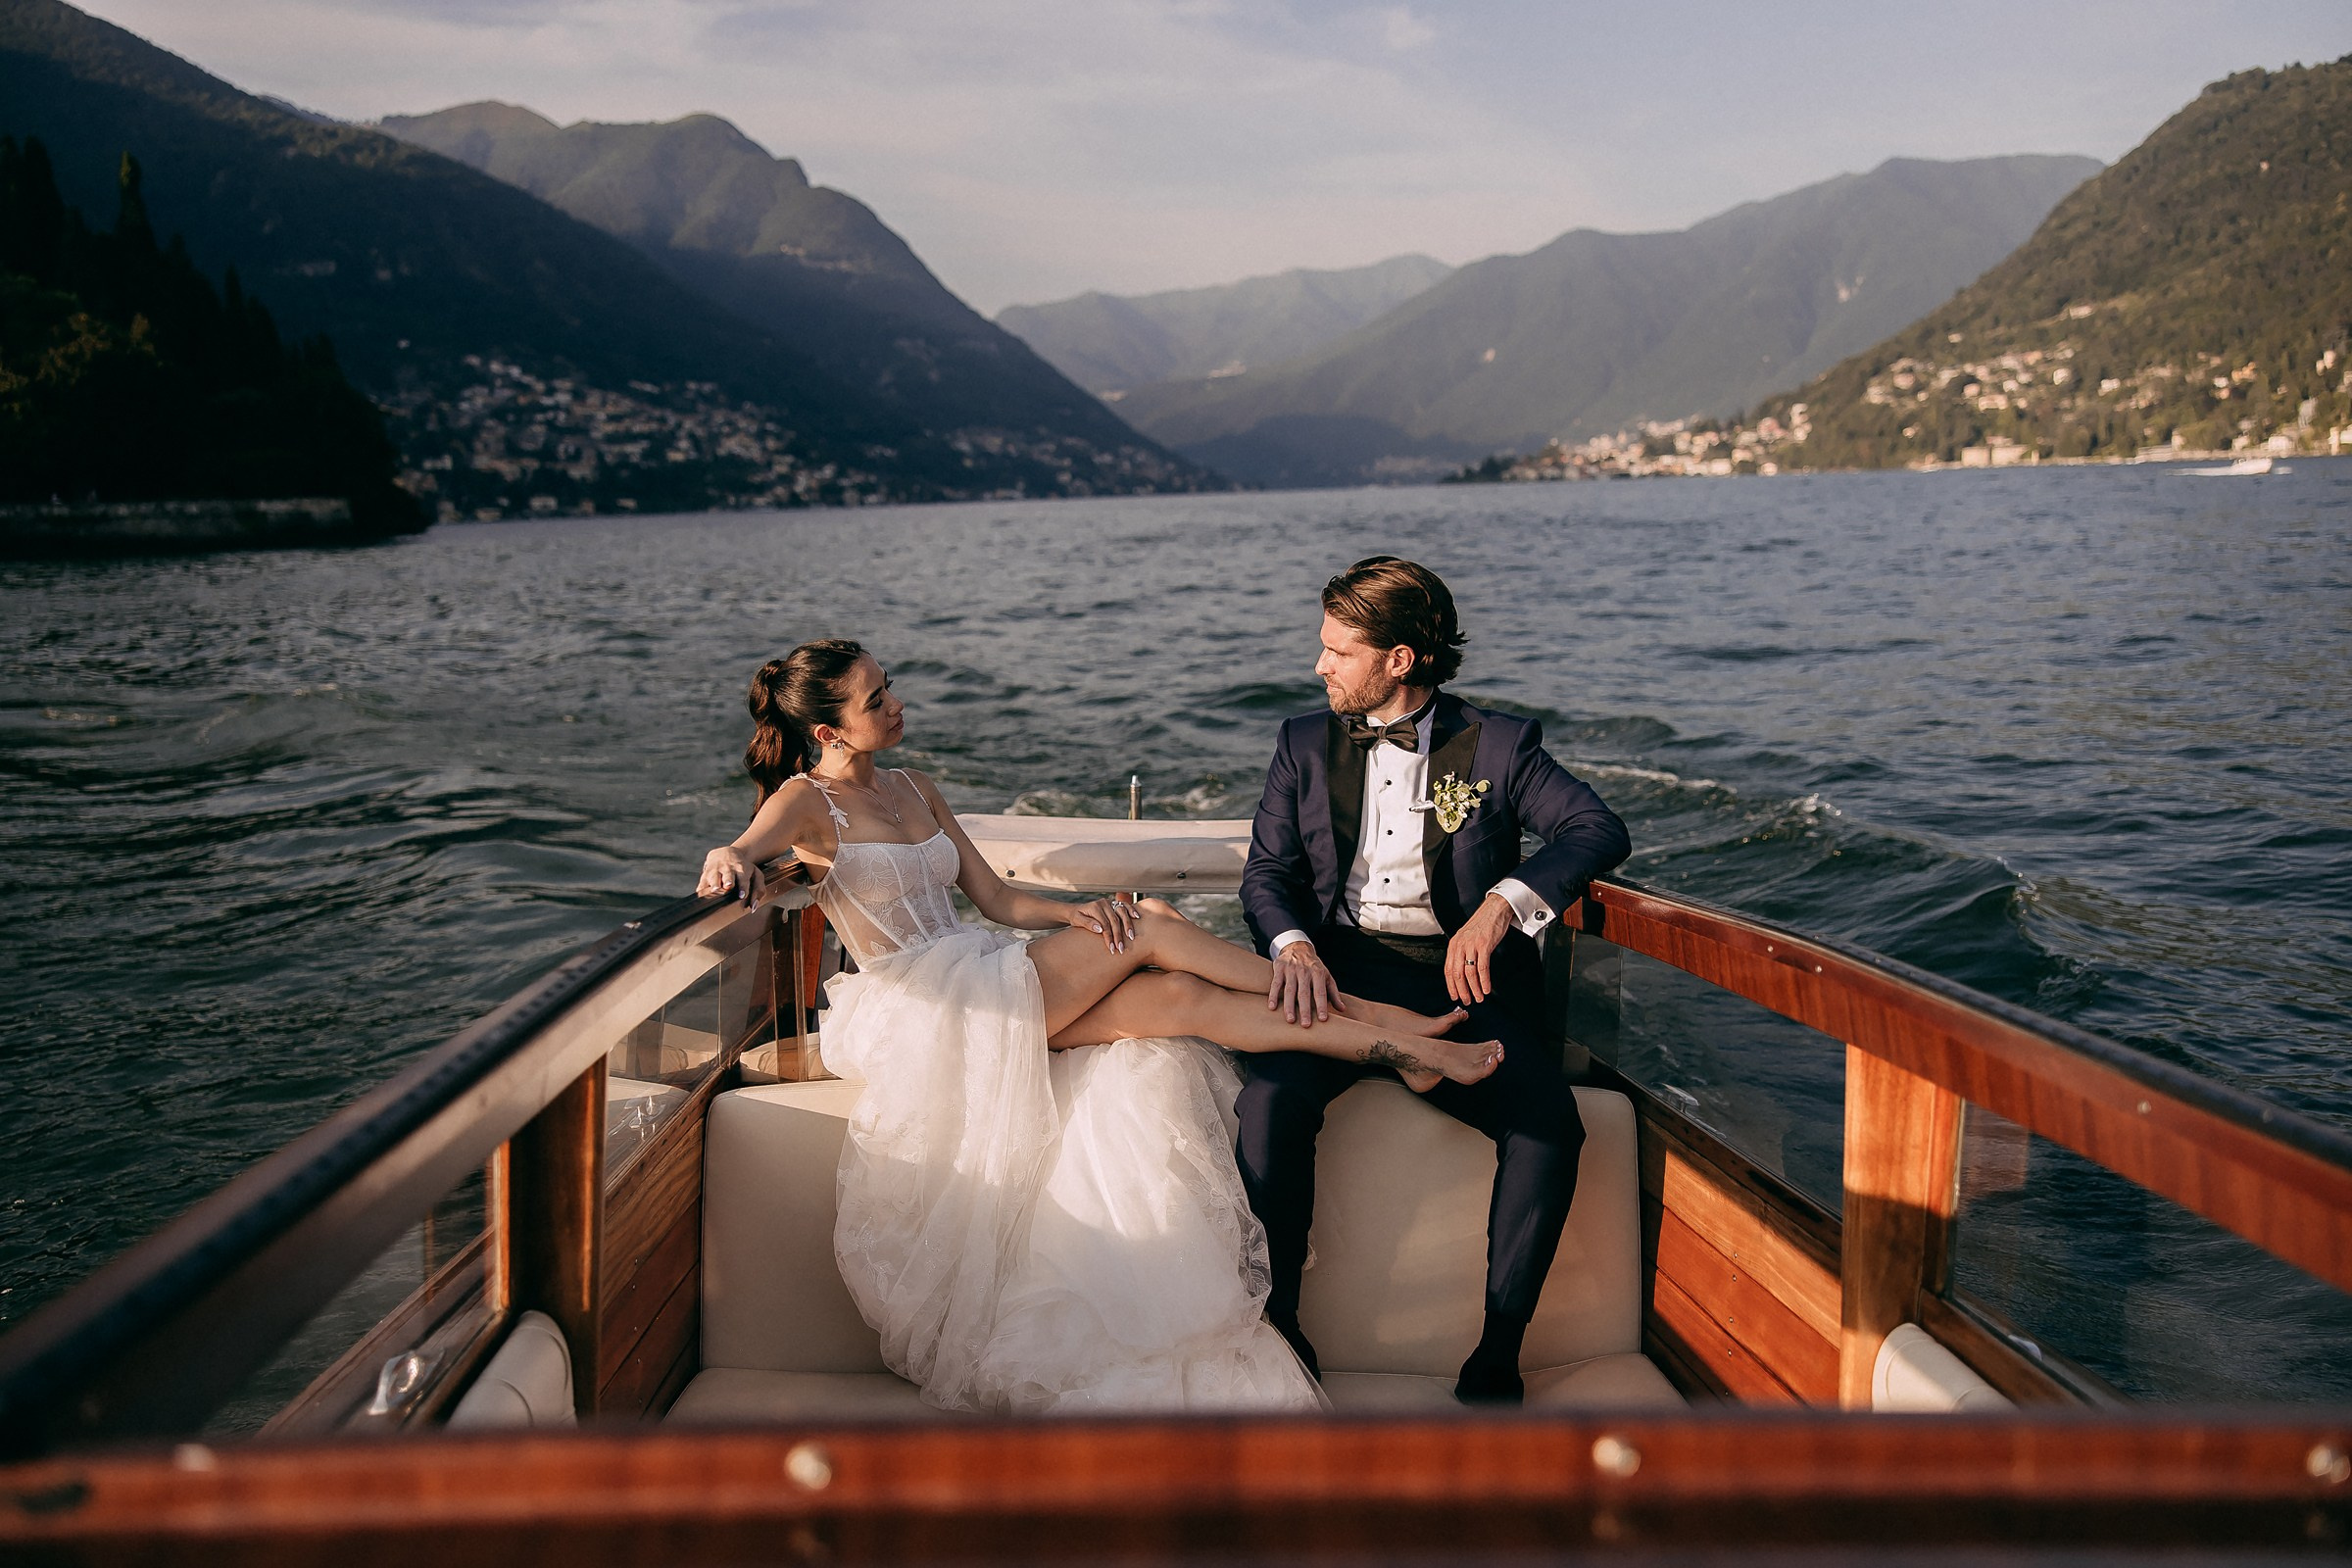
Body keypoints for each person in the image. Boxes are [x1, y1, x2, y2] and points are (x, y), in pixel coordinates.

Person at [696, 638, 1498, 1415]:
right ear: (828, 729)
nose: (897, 704)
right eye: (877, 699)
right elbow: (739, 848)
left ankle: (1407, 1053)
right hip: (926, 1006)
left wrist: (1071, 913)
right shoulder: (807, 799)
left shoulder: (914, 786)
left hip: (978, 963)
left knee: (1181, 999)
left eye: (889, 685)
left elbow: (999, 902)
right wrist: (730, 860)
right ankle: (1379, 1011)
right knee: (1148, 924)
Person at [1238, 556, 1631, 1403]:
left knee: (1548, 1129)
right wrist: (1294, 948)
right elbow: (1266, 875)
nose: (1320, 666)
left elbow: (1596, 827)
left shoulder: (1497, 744)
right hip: (1336, 979)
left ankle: (1497, 1350)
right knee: (1268, 1100)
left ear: (1401, 658)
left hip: (1464, 986)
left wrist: (1501, 907)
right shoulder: (1302, 743)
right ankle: (1279, 1326)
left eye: (1339, 651)